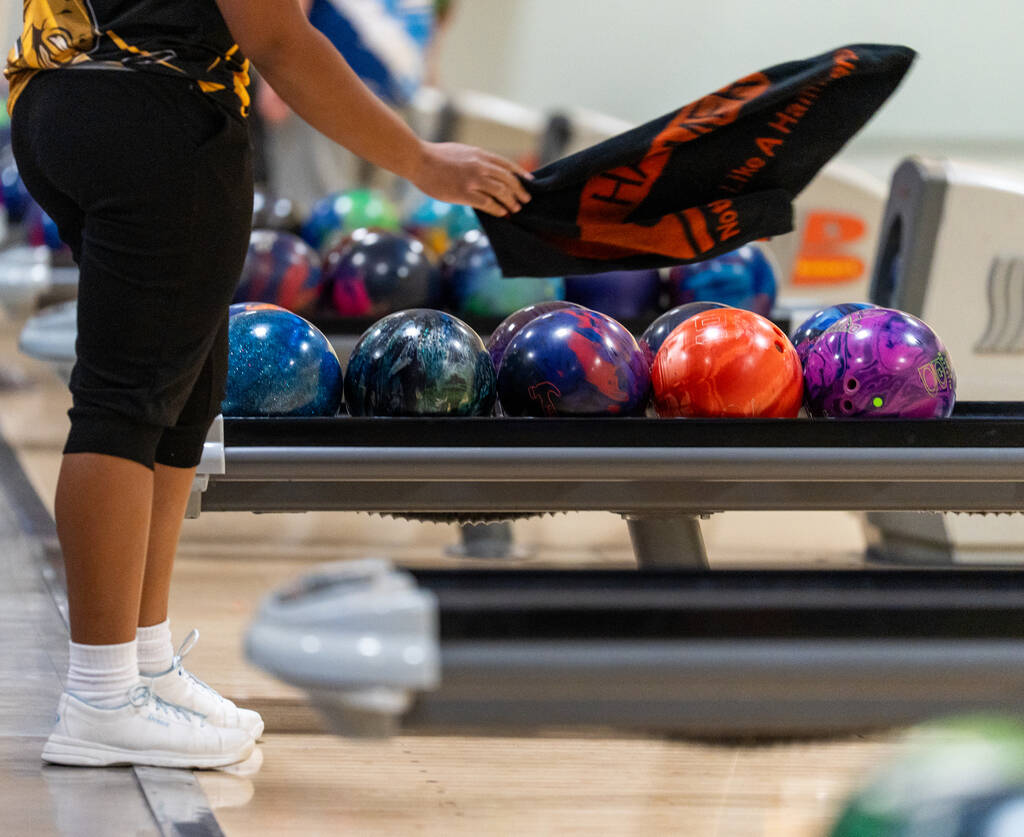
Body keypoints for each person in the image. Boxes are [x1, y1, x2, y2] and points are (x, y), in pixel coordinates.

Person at [5, 0, 530, 769]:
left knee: (185, 388)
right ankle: (101, 693)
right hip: (152, 111)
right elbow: (280, 39)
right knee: (129, 400)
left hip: (71, 99)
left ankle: (143, 661)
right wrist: (421, 161)